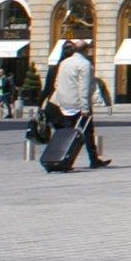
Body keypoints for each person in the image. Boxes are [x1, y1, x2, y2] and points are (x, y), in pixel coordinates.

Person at [44, 41, 111, 169]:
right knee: (87, 133)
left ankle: (64, 159)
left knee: (67, 133)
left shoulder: (64, 63)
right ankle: (93, 159)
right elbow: (84, 88)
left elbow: (57, 83)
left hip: (64, 103)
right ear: (86, 50)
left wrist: (62, 99)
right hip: (79, 104)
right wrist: (85, 107)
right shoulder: (85, 64)